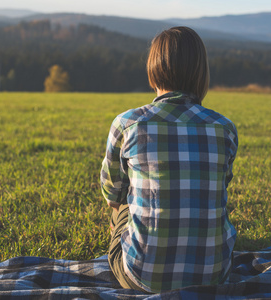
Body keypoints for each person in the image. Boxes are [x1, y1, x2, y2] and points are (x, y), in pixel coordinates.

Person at [100, 26, 238, 293]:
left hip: (140, 277)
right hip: (215, 275)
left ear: (153, 70)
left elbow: (111, 194)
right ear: (202, 73)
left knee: (125, 201)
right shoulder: (224, 127)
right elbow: (223, 185)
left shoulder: (127, 123)